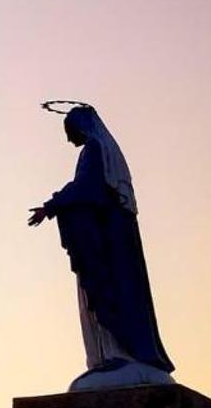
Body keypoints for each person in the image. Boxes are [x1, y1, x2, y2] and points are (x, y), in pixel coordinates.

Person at [29, 104, 174, 385]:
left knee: (110, 292)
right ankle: (117, 353)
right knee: (121, 292)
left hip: (106, 242)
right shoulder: (104, 154)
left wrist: (51, 206)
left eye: (70, 131)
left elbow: (87, 188)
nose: (68, 139)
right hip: (113, 237)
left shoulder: (94, 151)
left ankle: (118, 352)